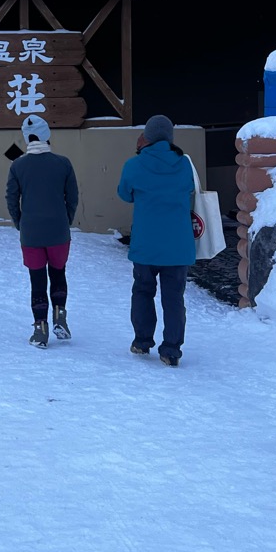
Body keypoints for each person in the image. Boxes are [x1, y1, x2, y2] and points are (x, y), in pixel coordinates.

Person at [116, 114, 195, 367]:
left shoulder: (134, 165)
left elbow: (124, 194)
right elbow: (191, 190)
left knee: (142, 291)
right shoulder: (184, 164)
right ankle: (171, 350)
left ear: (146, 137)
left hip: (146, 245)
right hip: (178, 246)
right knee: (174, 298)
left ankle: (142, 341)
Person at [5, 115, 80, 348]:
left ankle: (40, 328)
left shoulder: (17, 165)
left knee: (37, 280)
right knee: (58, 273)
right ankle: (60, 315)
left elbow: (11, 197)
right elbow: (73, 197)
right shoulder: (63, 163)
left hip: (31, 233)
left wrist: (20, 222)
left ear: (27, 138)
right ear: (47, 135)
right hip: (58, 230)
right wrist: (65, 219)